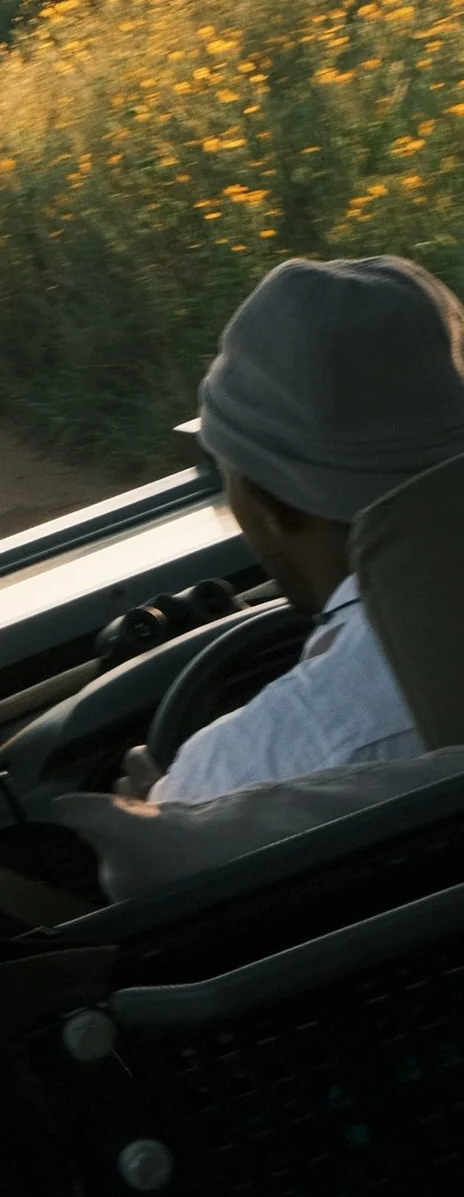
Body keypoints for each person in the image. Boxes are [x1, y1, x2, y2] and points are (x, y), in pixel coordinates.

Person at [125, 254, 464, 805]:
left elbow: (146, 867)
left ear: (269, 503)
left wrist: (156, 816)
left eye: (227, 475)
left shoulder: (241, 770)